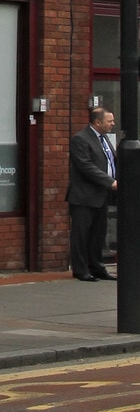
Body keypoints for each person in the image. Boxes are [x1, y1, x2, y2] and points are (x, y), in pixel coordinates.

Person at [68, 105, 117, 281]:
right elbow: (86, 166)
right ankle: (81, 270)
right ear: (98, 122)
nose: (113, 123)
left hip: (101, 196)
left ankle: (97, 267)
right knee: (81, 235)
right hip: (83, 197)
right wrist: (110, 182)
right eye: (109, 121)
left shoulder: (104, 139)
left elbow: (111, 162)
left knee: (98, 235)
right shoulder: (80, 140)